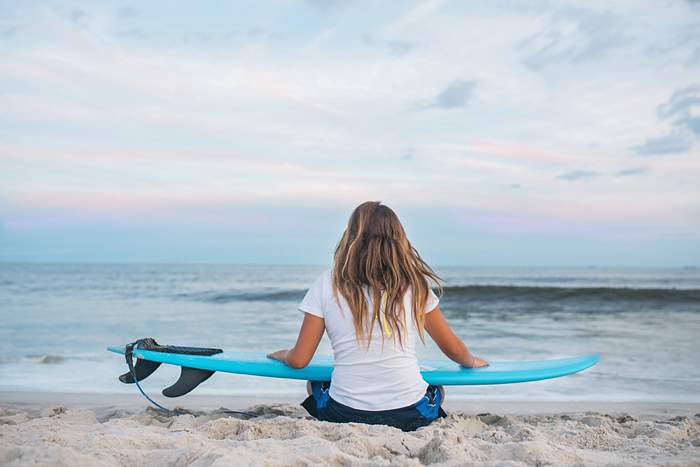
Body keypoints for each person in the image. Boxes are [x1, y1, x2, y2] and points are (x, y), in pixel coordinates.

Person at [267, 201, 488, 431]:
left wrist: (283, 354)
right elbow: (453, 349)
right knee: (437, 390)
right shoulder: (415, 285)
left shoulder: (328, 282)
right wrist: (471, 361)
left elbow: (299, 360)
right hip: (410, 413)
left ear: (351, 239)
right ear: (398, 240)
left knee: (315, 384)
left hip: (343, 413)